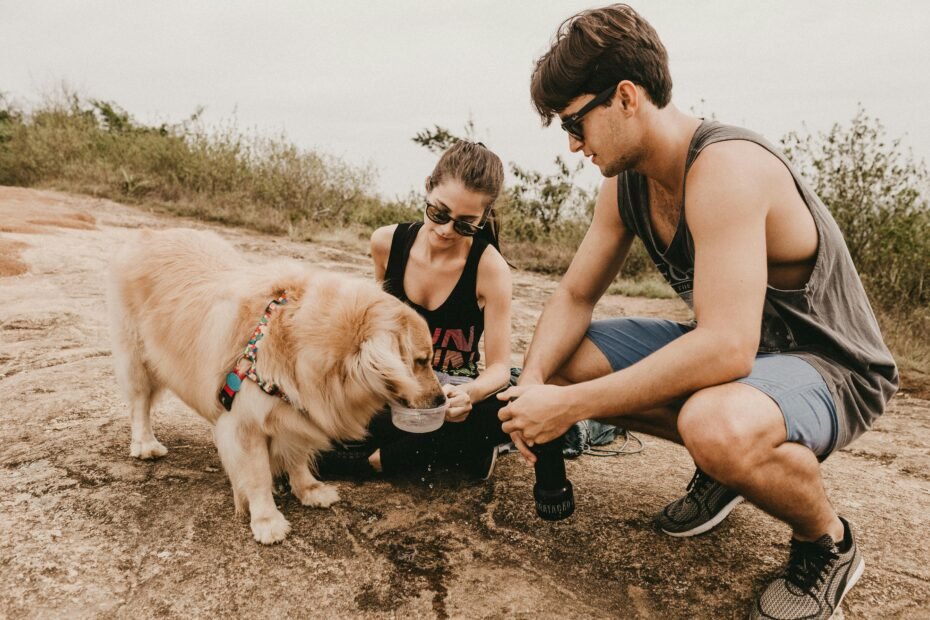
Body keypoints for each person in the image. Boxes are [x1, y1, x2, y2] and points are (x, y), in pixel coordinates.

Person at [496, 5, 898, 619]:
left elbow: (725, 348)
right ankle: (726, 471)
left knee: (714, 425)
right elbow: (575, 295)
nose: (573, 144)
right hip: (748, 362)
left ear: (626, 97)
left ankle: (828, 543)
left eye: (575, 123)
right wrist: (532, 389)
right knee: (564, 359)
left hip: (831, 366)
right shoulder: (626, 183)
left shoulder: (726, 167)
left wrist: (569, 408)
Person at [318, 140, 514, 480]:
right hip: (394, 385)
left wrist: (469, 394)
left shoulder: (490, 268)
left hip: (451, 394)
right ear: (427, 188)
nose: (445, 230)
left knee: (503, 413)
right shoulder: (386, 243)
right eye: (438, 213)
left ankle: (367, 463)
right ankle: (451, 456)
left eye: (466, 224)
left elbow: (498, 368)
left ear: (484, 217)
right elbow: (371, 331)